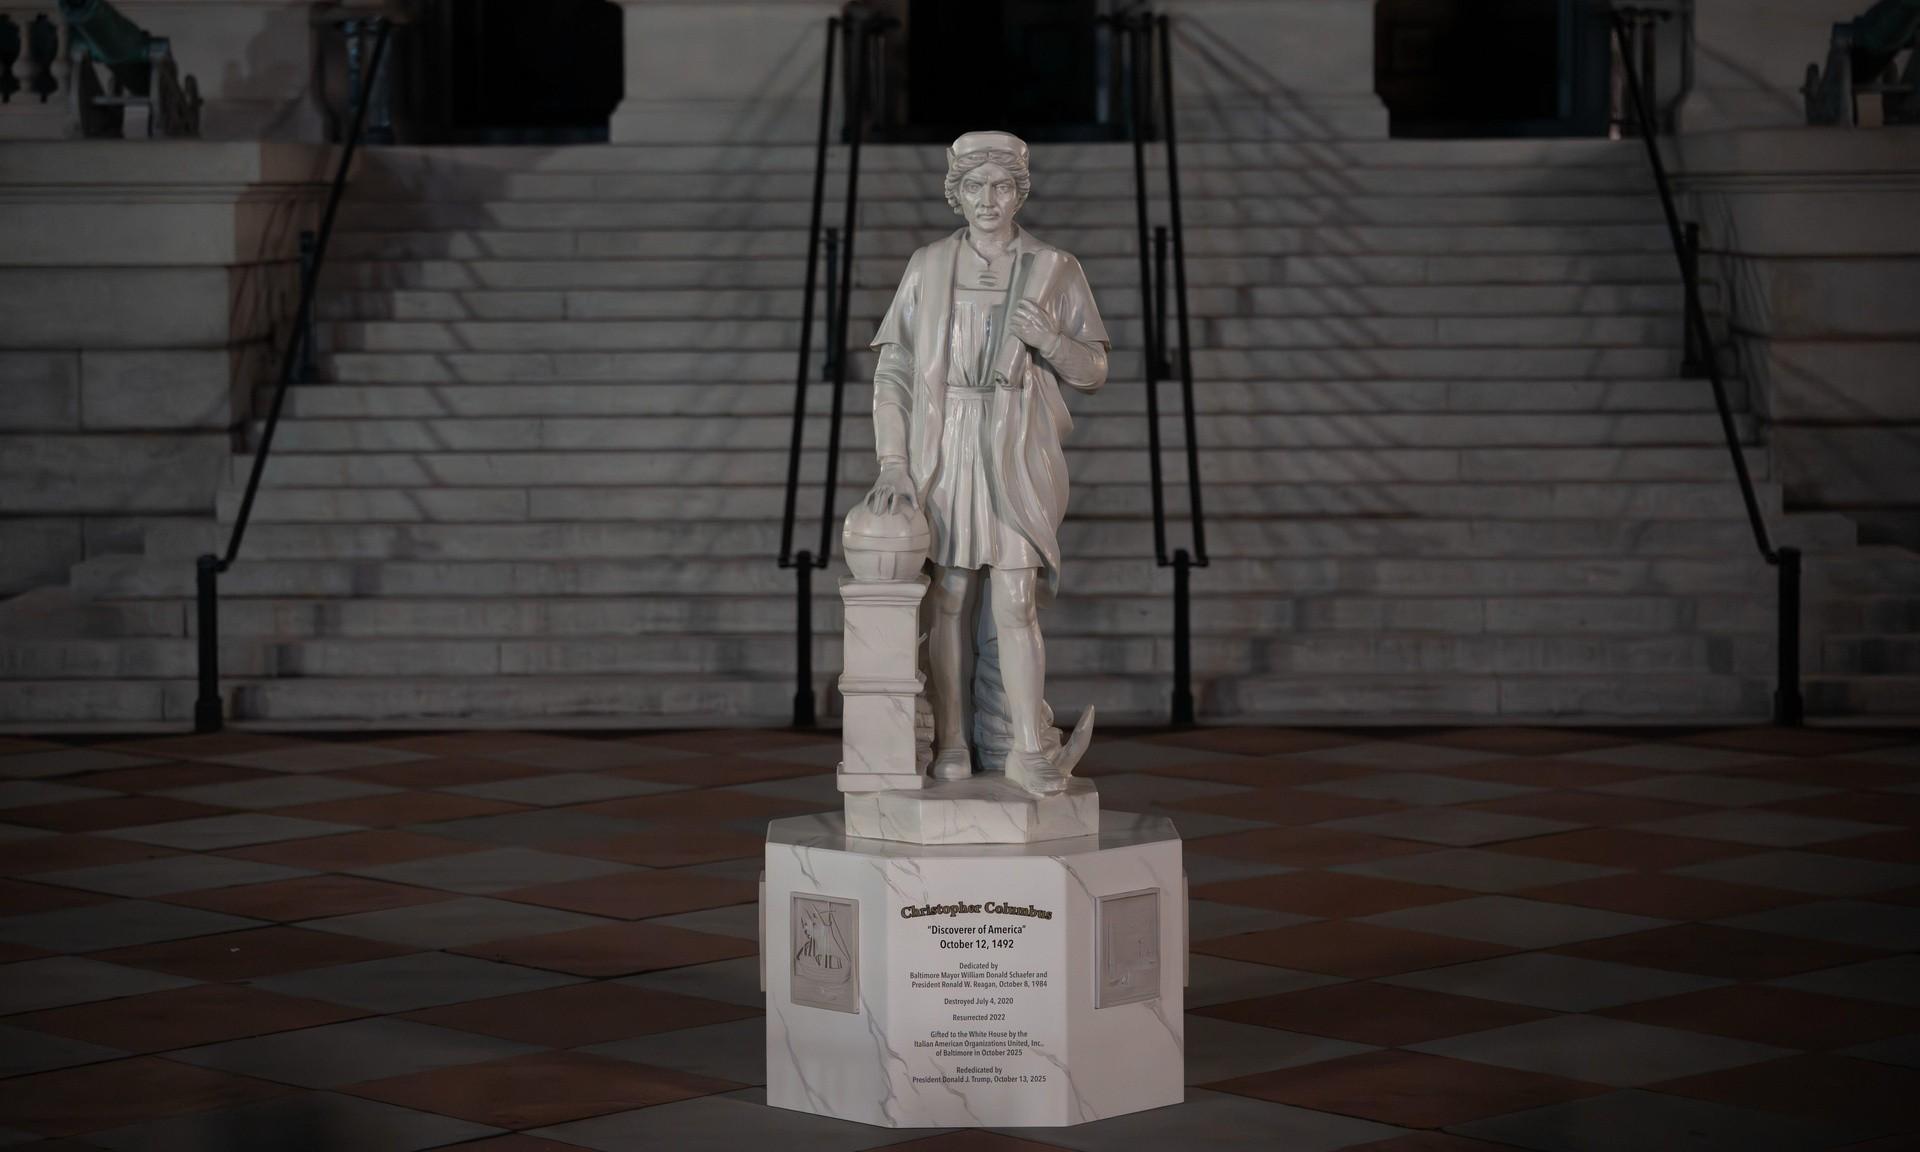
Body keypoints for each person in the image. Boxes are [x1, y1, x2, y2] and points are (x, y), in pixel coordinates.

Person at [859, 130, 1109, 795]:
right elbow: (894, 370)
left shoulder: (1054, 267)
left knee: (1016, 598)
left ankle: (1026, 747)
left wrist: (1050, 339)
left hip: (1018, 446)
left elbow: (1093, 370)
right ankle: (951, 741)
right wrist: (892, 462)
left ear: (1019, 192)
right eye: (974, 186)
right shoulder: (929, 265)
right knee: (949, 593)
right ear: (957, 193)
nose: (988, 199)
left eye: (1001, 186)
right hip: (945, 444)